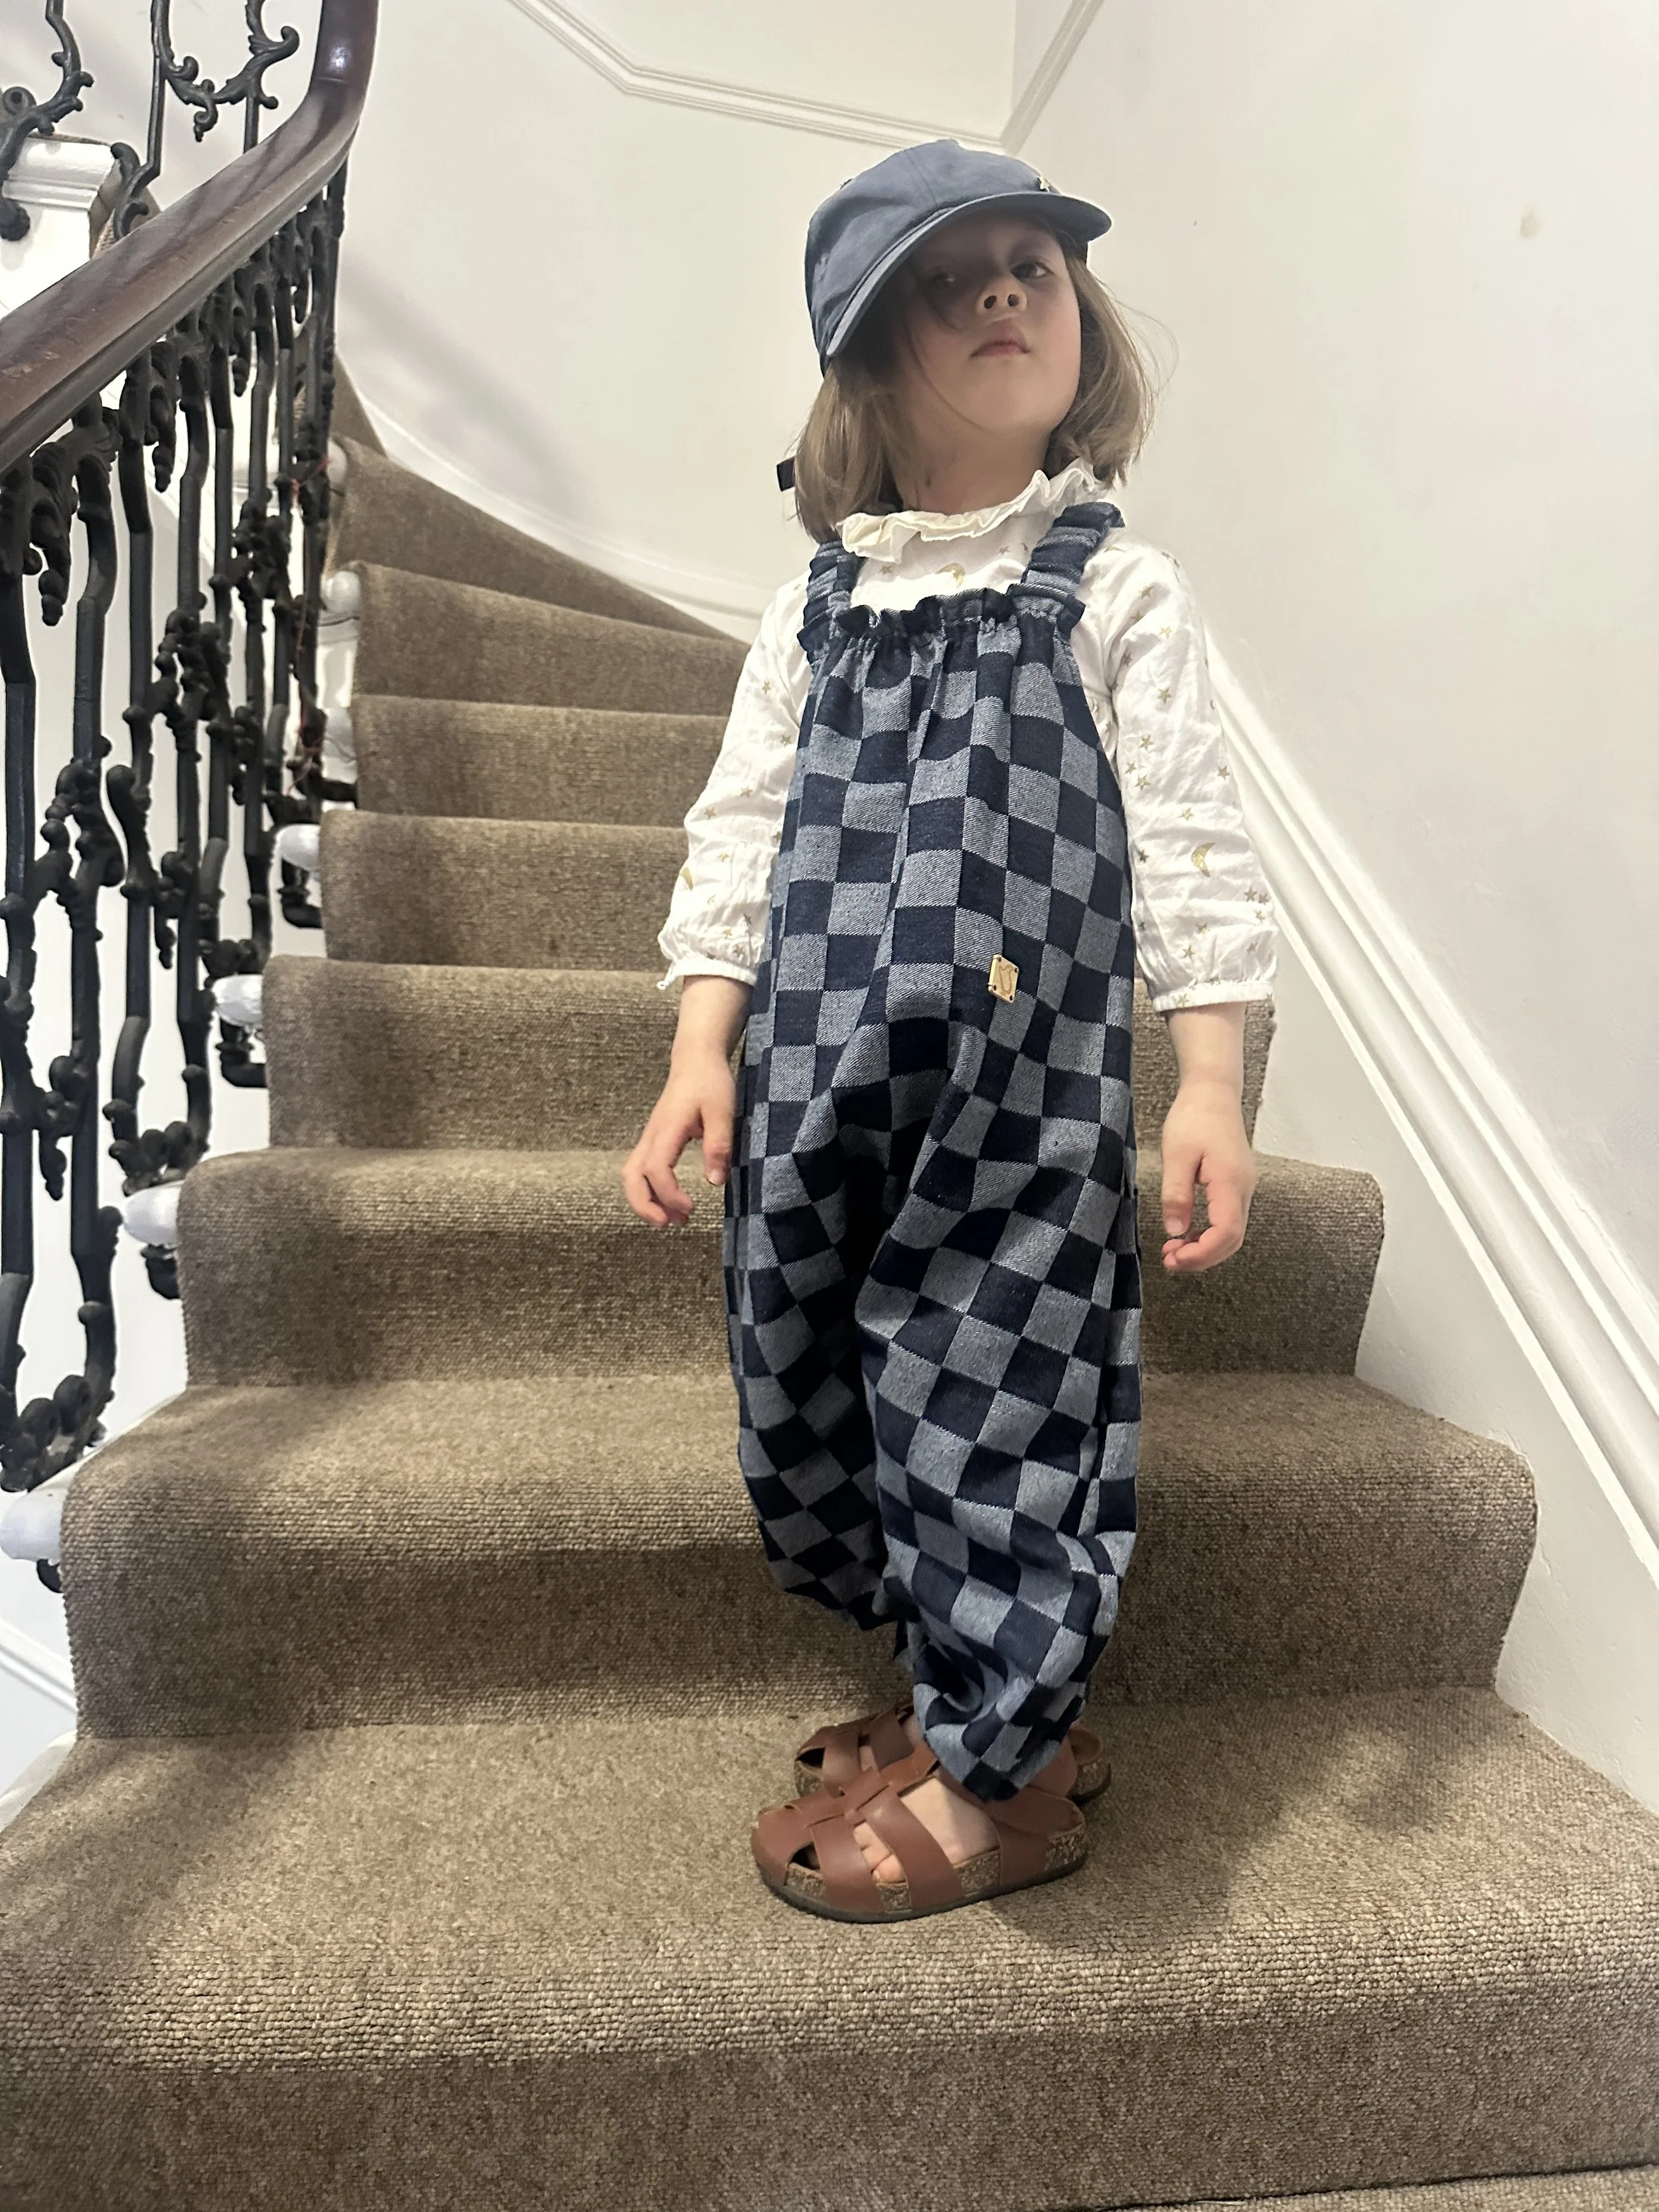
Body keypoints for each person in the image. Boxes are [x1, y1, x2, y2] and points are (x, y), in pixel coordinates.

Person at [623, 140, 1278, 1923]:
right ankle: (956, 1697)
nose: (1005, 289)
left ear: (1085, 329)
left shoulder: (1106, 592)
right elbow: (739, 829)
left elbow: (1196, 834)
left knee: (992, 1418)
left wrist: (1206, 1072)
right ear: (861, 356)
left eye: (1034, 268)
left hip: (1017, 1109)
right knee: (830, 1397)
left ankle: (1014, 1782)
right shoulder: (815, 610)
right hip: (818, 1087)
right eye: (951, 273)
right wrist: (704, 1043)